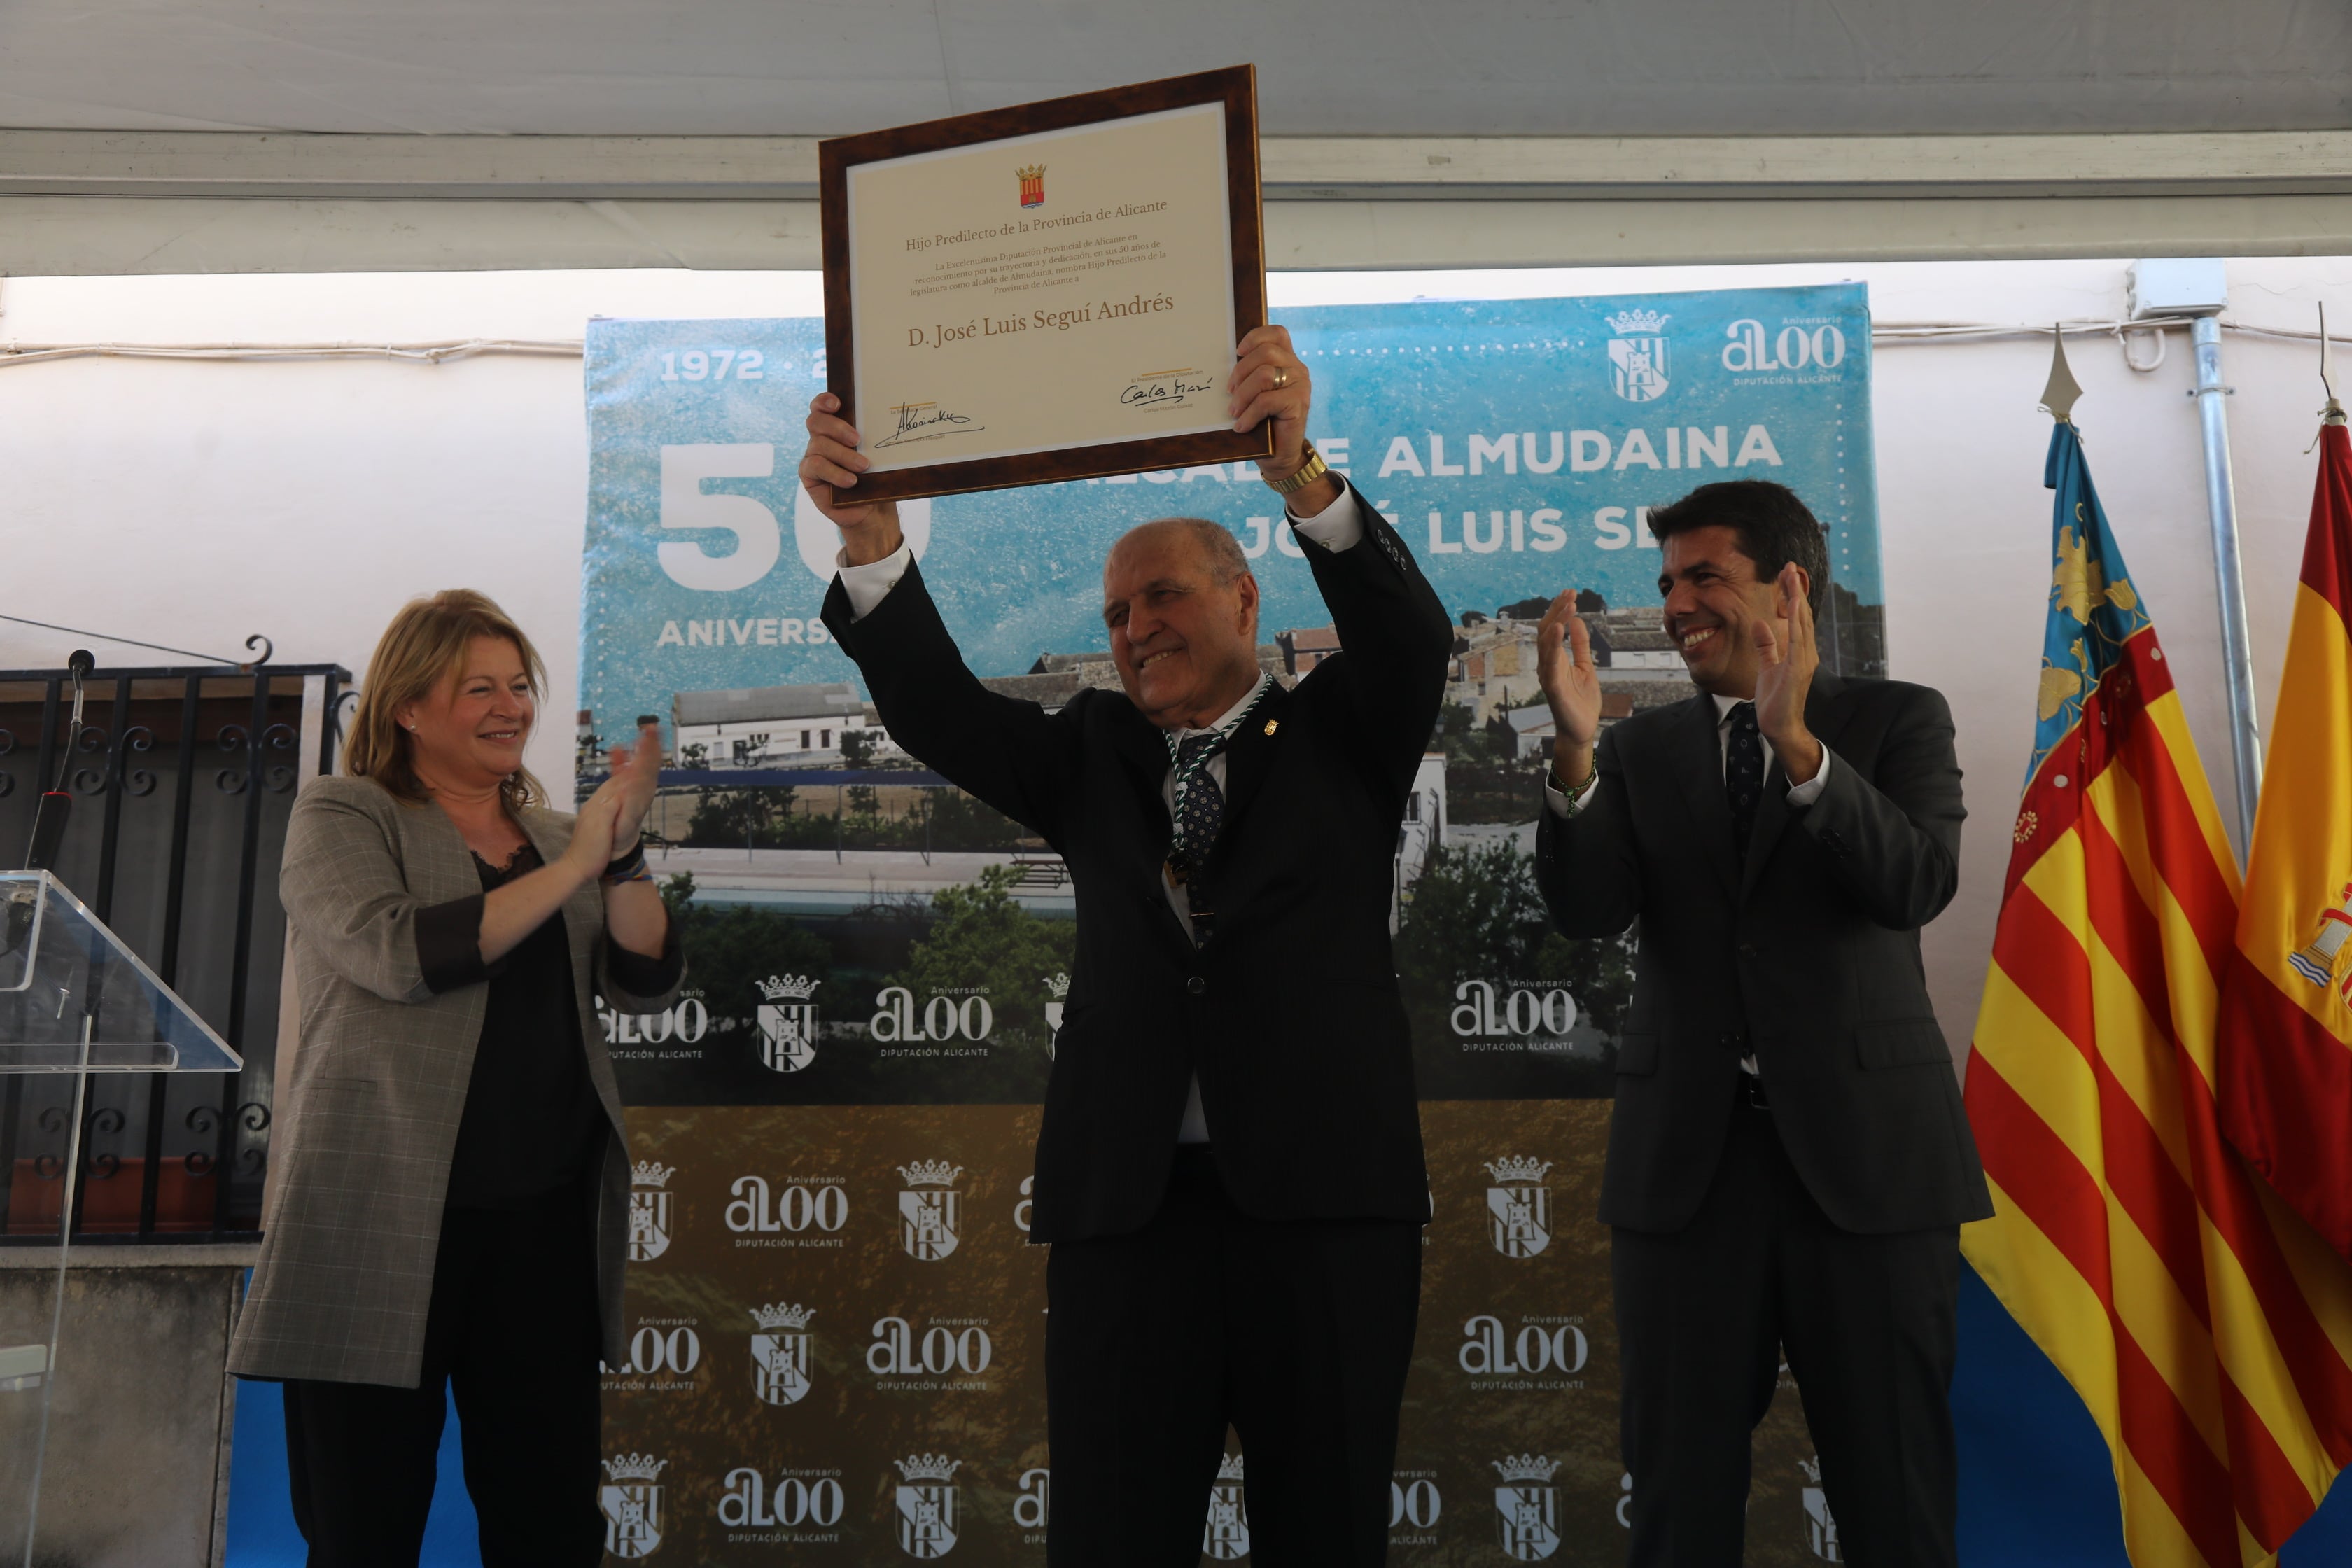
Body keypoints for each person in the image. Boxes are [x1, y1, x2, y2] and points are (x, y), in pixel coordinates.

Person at [799, 324, 1451, 1566]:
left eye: (1163, 594)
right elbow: (939, 710)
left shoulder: (1347, 735)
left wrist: (1302, 476)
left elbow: (1412, 638)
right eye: (1114, 610)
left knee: (1327, 1530)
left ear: (1244, 597)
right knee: (1111, 1531)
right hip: (1126, 1220)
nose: (1134, 625)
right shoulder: (1089, 750)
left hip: (1323, 1211)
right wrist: (872, 539)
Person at [1531, 480, 1989, 1568]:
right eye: (1666, 584)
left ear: (1790, 587)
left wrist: (1798, 749)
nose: (1675, 605)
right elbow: (1586, 913)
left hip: (1870, 1169)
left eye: (1703, 578)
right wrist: (1576, 756)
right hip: (1690, 1173)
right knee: (1681, 1499)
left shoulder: (1897, 719)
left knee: (1896, 1493)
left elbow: (1916, 884)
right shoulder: (1637, 754)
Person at [227, 589, 682, 1568]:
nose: (511, 706)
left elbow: (645, 977)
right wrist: (575, 868)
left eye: (521, 686)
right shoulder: (344, 811)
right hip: (378, 1222)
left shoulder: (563, 839)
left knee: (552, 1524)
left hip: (542, 1231)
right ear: (408, 706)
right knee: (362, 1527)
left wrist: (625, 849)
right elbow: (396, 953)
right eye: (480, 687)